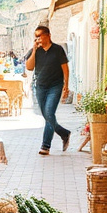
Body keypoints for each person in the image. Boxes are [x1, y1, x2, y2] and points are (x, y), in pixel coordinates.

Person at [24, 25, 70, 155]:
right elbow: (29, 67)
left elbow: (65, 68)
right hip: (40, 86)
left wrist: (66, 86)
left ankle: (45, 146)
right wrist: (33, 50)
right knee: (46, 115)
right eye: (36, 36)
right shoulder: (36, 50)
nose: (37, 39)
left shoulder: (58, 49)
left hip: (55, 86)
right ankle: (64, 133)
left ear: (48, 35)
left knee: (49, 113)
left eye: (40, 36)